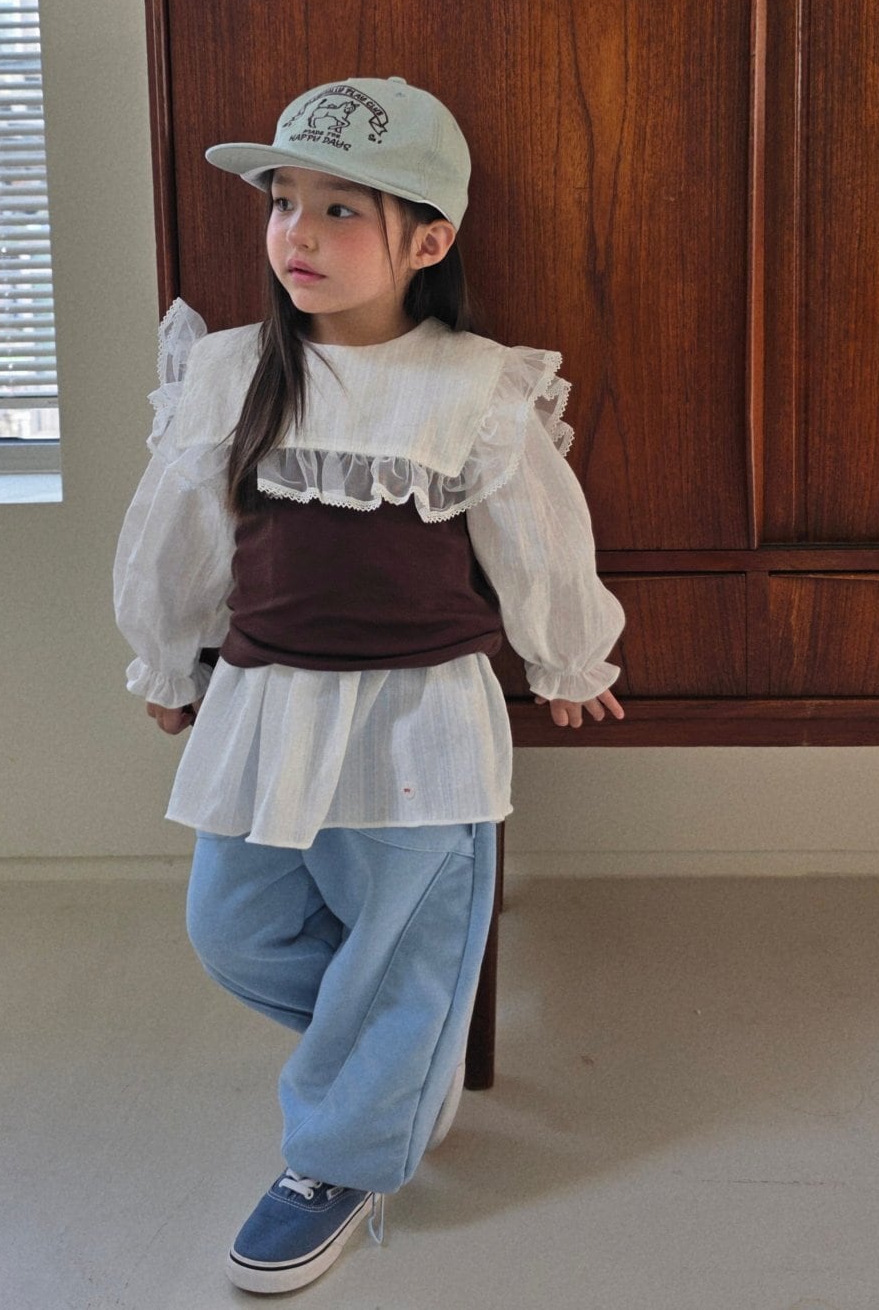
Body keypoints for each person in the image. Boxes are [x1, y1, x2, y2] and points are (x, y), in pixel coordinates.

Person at [112, 75, 626, 1295]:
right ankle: (397, 1052)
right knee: (233, 925)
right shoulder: (232, 371)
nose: (297, 232)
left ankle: (339, 1155)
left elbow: (539, 534)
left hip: (416, 722)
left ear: (426, 241)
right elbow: (175, 535)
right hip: (264, 708)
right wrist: (166, 657)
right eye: (281, 202)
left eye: (341, 209)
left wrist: (564, 654)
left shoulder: (470, 385)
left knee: (408, 939)